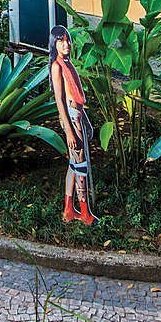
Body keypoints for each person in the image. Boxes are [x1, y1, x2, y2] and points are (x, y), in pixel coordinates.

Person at [48, 24, 95, 225]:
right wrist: (69, 130)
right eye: (61, 41)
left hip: (78, 114)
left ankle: (68, 209)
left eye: (67, 40)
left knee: (73, 165)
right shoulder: (57, 66)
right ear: (54, 44)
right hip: (70, 117)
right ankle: (84, 212)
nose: (66, 44)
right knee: (81, 165)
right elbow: (59, 100)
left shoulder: (68, 63)